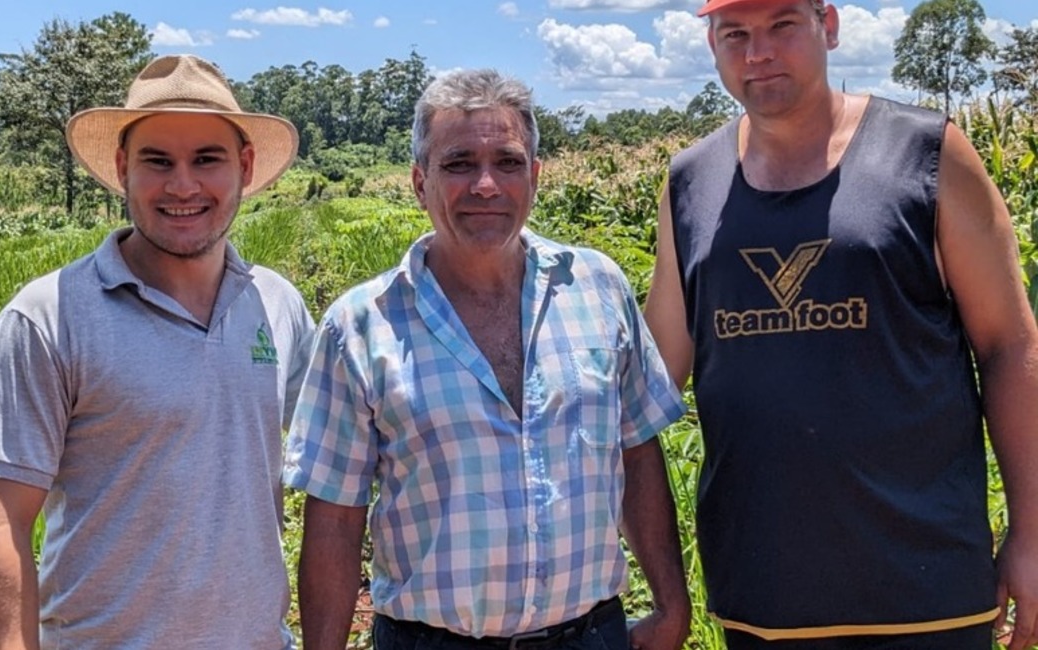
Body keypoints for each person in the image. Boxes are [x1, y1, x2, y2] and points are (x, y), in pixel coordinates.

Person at [643, 0, 1038, 648]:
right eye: (734, 33)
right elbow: (654, 379)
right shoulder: (690, 182)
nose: (758, 52)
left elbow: (1010, 345)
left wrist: (1031, 532)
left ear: (827, 25)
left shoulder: (926, 152)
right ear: (710, 44)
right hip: (759, 596)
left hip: (925, 592)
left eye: (782, 26)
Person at [284, 69, 691, 650]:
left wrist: (673, 607)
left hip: (589, 635)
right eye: (458, 164)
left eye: (507, 162)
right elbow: (335, 517)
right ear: (419, 182)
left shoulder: (598, 287)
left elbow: (638, 454)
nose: (485, 185)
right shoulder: (361, 325)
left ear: (536, 176)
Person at [0, 54, 314, 649]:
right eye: (158, 161)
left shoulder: (277, 305)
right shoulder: (49, 316)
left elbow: (336, 461)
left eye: (207, 159)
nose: (183, 185)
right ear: (123, 168)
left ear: (245, 168)